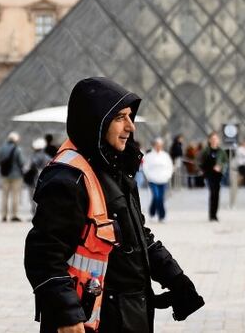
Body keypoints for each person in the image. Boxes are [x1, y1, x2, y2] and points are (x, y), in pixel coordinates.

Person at [25, 77, 204, 332]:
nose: (130, 126)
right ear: (96, 120)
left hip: (126, 314)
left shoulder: (114, 170)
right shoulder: (68, 177)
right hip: (89, 321)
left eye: (130, 116)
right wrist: (66, 313)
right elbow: (43, 255)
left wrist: (176, 279)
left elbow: (139, 237)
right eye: (120, 117)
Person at [142, 138, 174, 222]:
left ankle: (161, 216)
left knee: (161, 198)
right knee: (156, 197)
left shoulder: (165, 155)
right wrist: (148, 176)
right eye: (157, 145)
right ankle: (153, 213)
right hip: (153, 180)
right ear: (154, 145)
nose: (158, 147)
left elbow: (170, 166)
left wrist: (168, 176)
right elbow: (145, 167)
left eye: (160, 145)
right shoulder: (149, 156)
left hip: (163, 180)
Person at [199, 132, 227, 222]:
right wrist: (203, 171)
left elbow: (225, 162)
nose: (214, 140)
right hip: (209, 175)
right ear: (210, 140)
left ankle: (215, 214)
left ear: (218, 140)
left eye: (216, 139)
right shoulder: (206, 151)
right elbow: (200, 161)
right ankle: (211, 215)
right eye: (213, 139)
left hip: (218, 175)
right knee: (212, 193)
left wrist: (220, 167)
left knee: (217, 194)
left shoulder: (221, 151)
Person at [0, 131, 26, 222]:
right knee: (15, 195)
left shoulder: (2, 149)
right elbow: (21, 162)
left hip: (4, 175)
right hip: (16, 175)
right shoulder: (18, 149)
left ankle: (4, 215)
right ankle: (14, 215)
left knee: (4, 195)